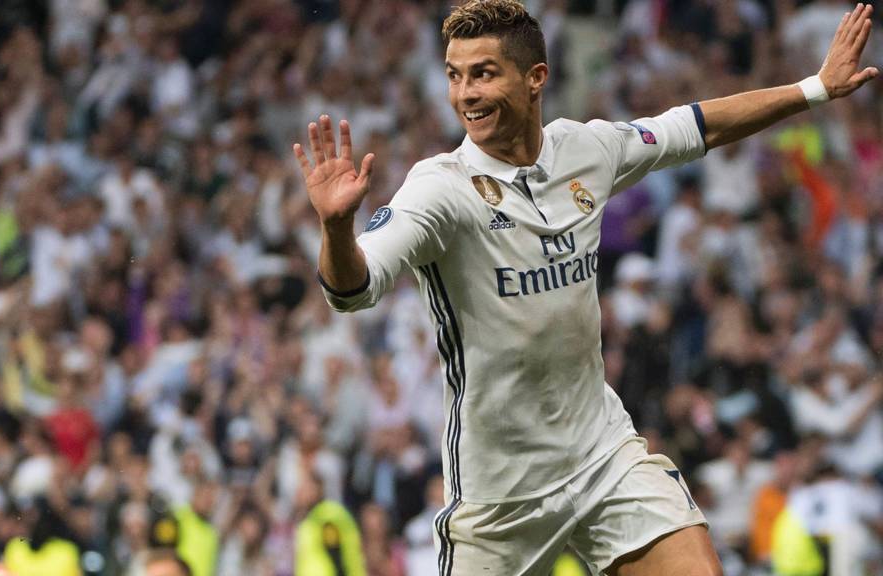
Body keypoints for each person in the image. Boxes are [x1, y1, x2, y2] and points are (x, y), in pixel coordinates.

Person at [291, 1, 879, 574]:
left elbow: (694, 125)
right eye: (455, 75)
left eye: (484, 73)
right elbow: (353, 290)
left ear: (535, 78)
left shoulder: (586, 149)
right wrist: (338, 229)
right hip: (501, 495)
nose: (465, 94)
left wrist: (815, 89)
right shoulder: (440, 188)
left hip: (602, 456)